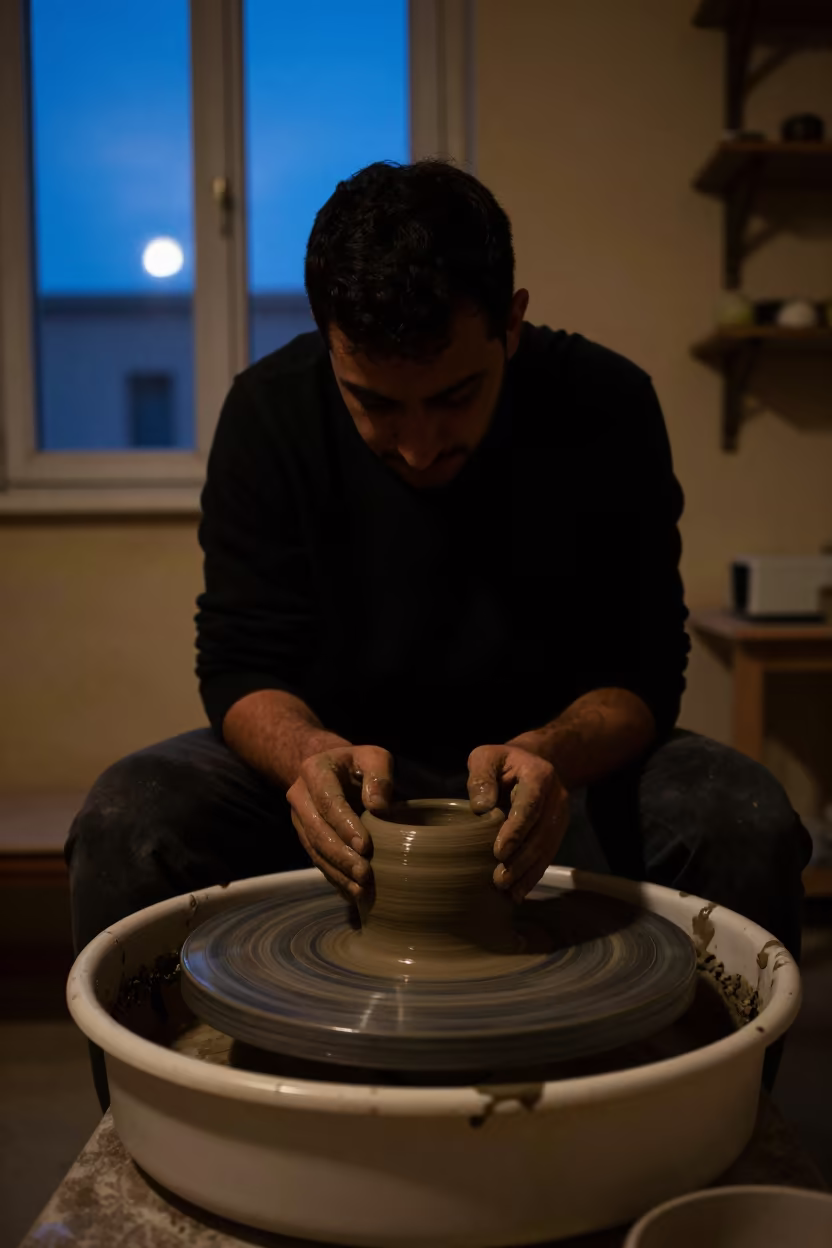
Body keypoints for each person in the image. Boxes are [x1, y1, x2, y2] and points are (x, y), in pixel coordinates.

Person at [66, 160, 810, 1105]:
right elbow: (240, 667)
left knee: (739, 819)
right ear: (328, 342)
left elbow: (645, 674)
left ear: (513, 322)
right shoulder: (269, 412)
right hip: (338, 773)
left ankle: (709, 1129)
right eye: (374, 402)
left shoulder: (607, 405)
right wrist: (308, 758)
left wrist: (550, 752)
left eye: (455, 396)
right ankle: (158, 1133)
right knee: (130, 819)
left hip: (548, 780)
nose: (417, 447)